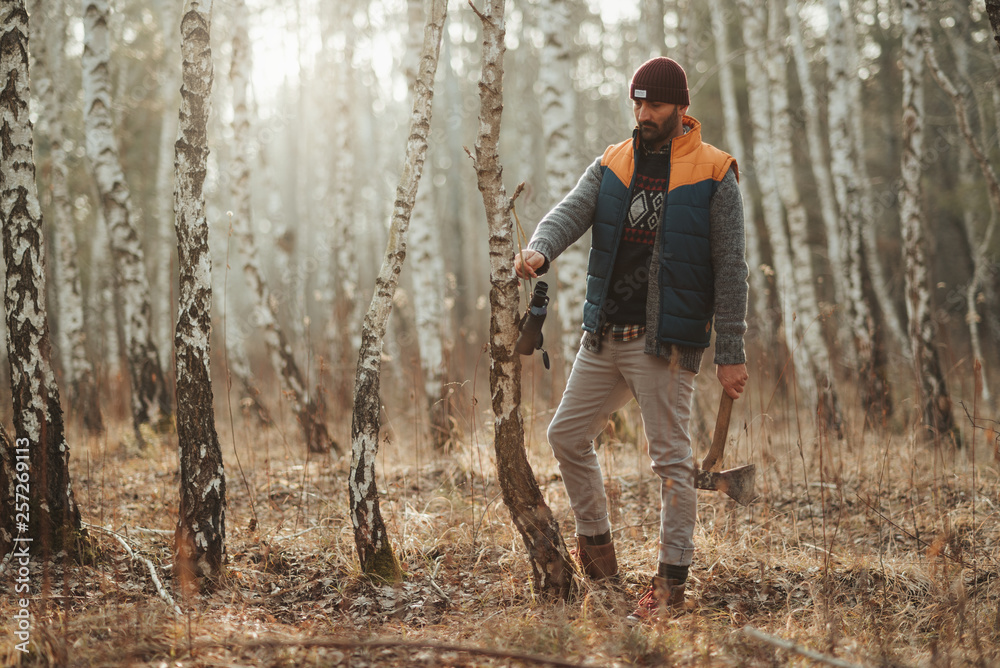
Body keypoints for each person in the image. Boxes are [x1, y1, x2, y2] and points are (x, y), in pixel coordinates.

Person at [514, 57, 749, 624]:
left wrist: (731, 352)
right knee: (567, 435)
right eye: (637, 104)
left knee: (671, 462)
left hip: (666, 345)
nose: (643, 114)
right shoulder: (613, 161)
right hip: (605, 336)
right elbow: (572, 210)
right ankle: (599, 561)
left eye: (655, 105)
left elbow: (731, 266)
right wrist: (541, 248)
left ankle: (670, 587)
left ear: (680, 109)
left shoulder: (716, 173)